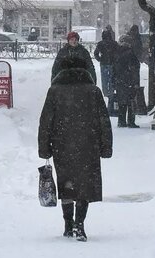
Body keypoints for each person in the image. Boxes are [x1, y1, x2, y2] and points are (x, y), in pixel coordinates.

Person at [38, 57, 113, 241]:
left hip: (62, 144)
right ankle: (80, 224)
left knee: (67, 183)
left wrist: (44, 148)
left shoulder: (54, 91)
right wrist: (106, 146)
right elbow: (104, 121)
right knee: (84, 185)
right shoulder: (94, 92)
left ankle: (67, 224)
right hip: (89, 144)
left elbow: (45, 121)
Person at [113, 34, 141, 128]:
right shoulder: (131, 54)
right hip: (129, 80)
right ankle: (131, 121)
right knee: (131, 101)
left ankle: (121, 121)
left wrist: (114, 80)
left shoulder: (116, 53)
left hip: (119, 80)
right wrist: (136, 82)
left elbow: (114, 68)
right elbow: (135, 69)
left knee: (122, 102)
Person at [93, 25, 119, 116]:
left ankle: (108, 94)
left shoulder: (100, 44)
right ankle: (111, 97)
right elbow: (117, 54)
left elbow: (96, 53)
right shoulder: (114, 44)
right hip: (112, 64)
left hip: (104, 64)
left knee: (105, 81)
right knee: (112, 81)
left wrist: (100, 59)